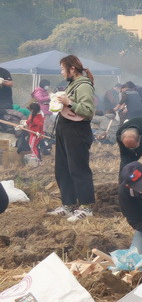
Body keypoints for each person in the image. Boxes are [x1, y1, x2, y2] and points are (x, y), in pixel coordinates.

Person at [49, 55, 97, 223]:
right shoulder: (72, 85)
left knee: (78, 169)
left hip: (76, 130)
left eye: (63, 69)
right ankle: (68, 204)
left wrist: (68, 102)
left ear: (72, 69)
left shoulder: (83, 86)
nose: (61, 72)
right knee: (62, 168)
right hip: (65, 128)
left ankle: (86, 207)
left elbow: (87, 110)